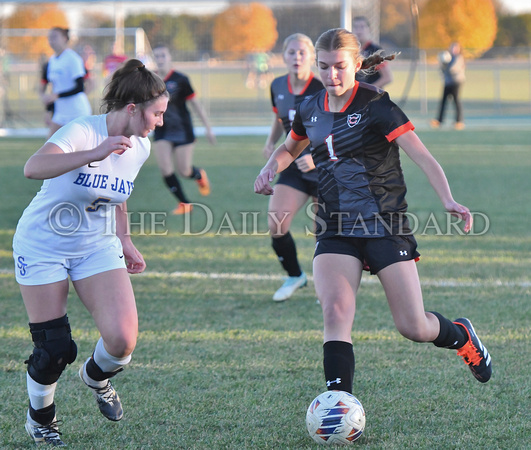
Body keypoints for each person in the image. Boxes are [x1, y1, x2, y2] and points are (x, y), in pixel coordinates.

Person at [254, 28, 492, 399]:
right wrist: (271, 167)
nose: (331, 76)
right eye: (324, 67)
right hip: (334, 224)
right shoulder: (309, 107)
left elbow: (422, 156)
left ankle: (461, 335)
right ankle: (338, 401)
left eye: (339, 67)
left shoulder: (376, 104)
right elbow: (289, 146)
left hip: (384, 223)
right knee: (334, 312)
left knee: (413, 326)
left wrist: (447, 199)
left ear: (357, 65)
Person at [14, 59, 169, 447]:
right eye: (157, 113)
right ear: (132, 109)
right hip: (43, 244)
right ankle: (41, 418)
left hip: (96, 246)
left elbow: (117, 192)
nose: (160, 122)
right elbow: (33, 168)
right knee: (54, 349)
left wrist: (126, 238)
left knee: (121, 341)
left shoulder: (141, 146)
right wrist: (93, 152)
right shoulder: (83, 130)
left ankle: (95, 378)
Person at [262, 33, 324, 302]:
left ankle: (328, 286)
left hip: (326, 167)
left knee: (324, 232)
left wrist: (316, 157)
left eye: (302, 53)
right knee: (277, 223)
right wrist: (270, 141)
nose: (297, 57)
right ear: (283, 56)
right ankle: (295, 275)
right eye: (291, 52)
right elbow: (281, 116)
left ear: (311, 57)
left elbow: (336, 130)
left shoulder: (323, 87)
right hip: (292, 165)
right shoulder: (277, 84)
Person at [152, 43, 215, 215]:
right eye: (156, 56)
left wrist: (208, 128)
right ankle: (184, 203)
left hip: (182, 129)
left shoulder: (181, 79)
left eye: (163, 56)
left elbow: (196, 105)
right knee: (165, 168)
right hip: (162, 130)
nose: (160, 60)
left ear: (170, 58)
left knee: (184, 170)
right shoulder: (150, 80)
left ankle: (198, 175)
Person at [39, 27, 92, 138]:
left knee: (79, 149)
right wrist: (49, 111)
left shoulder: (73, 58)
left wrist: (58, 95)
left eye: (54, 37)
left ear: (64, 38)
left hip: (77, 112)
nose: (51, 40)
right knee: (50, 147)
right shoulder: (52, 61)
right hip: (61, 113)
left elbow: (80, 87)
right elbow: (54, 88)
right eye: (49, 37)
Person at [431, 42, 466, 130]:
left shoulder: (458, 58)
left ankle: (459, 121)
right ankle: (439, 120)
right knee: (443, 101)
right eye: (452, 48)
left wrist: (445, 64)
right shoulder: (448, 57)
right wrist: (442, 63)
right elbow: (442, 70)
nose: (453, 50)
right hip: (447, 82)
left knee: (456, 101)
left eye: (455, 48)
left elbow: (453, 69)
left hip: (456, 82)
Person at [352, 16, 393, 88]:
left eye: (362, 27)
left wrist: (369, 89)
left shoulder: (375, 50)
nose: (359, 30)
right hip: (356, 94)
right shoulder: (350, 50)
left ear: (369, 29)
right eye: (356, 27)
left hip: (372, 97)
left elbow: (387, 77)